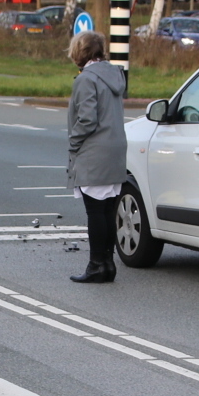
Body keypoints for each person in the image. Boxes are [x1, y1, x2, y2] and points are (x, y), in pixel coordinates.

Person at [64, 30, 128, 284]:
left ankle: (95, 265)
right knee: (108, 209)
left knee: (94, 211)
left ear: (79, 51)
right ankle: (108, 264)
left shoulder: (86, 80)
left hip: (94, 150)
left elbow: (87, 118)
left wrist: (74, 141)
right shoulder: (114, 75)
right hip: (115, 148)